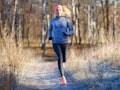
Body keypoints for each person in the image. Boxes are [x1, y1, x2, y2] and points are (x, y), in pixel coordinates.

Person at [48, 5, 73, 85]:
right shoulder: (52, 21)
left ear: (62, 11)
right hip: (56, 42)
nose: (58, 11)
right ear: (55, 11)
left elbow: (72, 30)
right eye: (56, 10)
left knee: (65, 58)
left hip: (64, 42)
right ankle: (62, 77)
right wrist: (50, 36)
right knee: (60, 58)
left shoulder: (66, 20)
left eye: (59, 10)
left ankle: (63, 63)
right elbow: (50, 30)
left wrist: (67, 33)